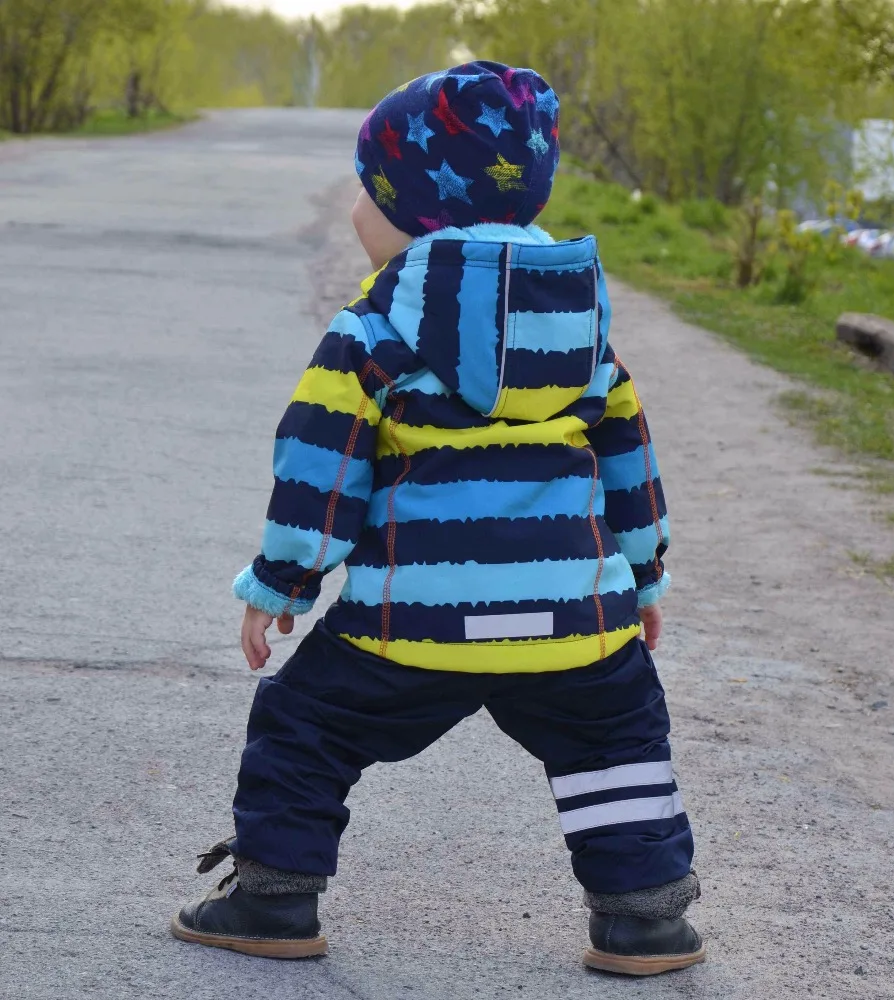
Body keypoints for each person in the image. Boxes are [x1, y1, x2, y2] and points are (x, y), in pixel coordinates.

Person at [171, 61, 704, 977]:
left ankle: (274, 898)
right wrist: (644, 578)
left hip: (406, 624)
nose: (353, 213)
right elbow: (631, 464)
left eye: (366, 193)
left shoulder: (377, 323)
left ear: (415, 214)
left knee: (306, 727)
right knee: (615, 741)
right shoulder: (582, 325)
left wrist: (282, 583)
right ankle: (645, 920)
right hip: (576, 621)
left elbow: (320, 463)